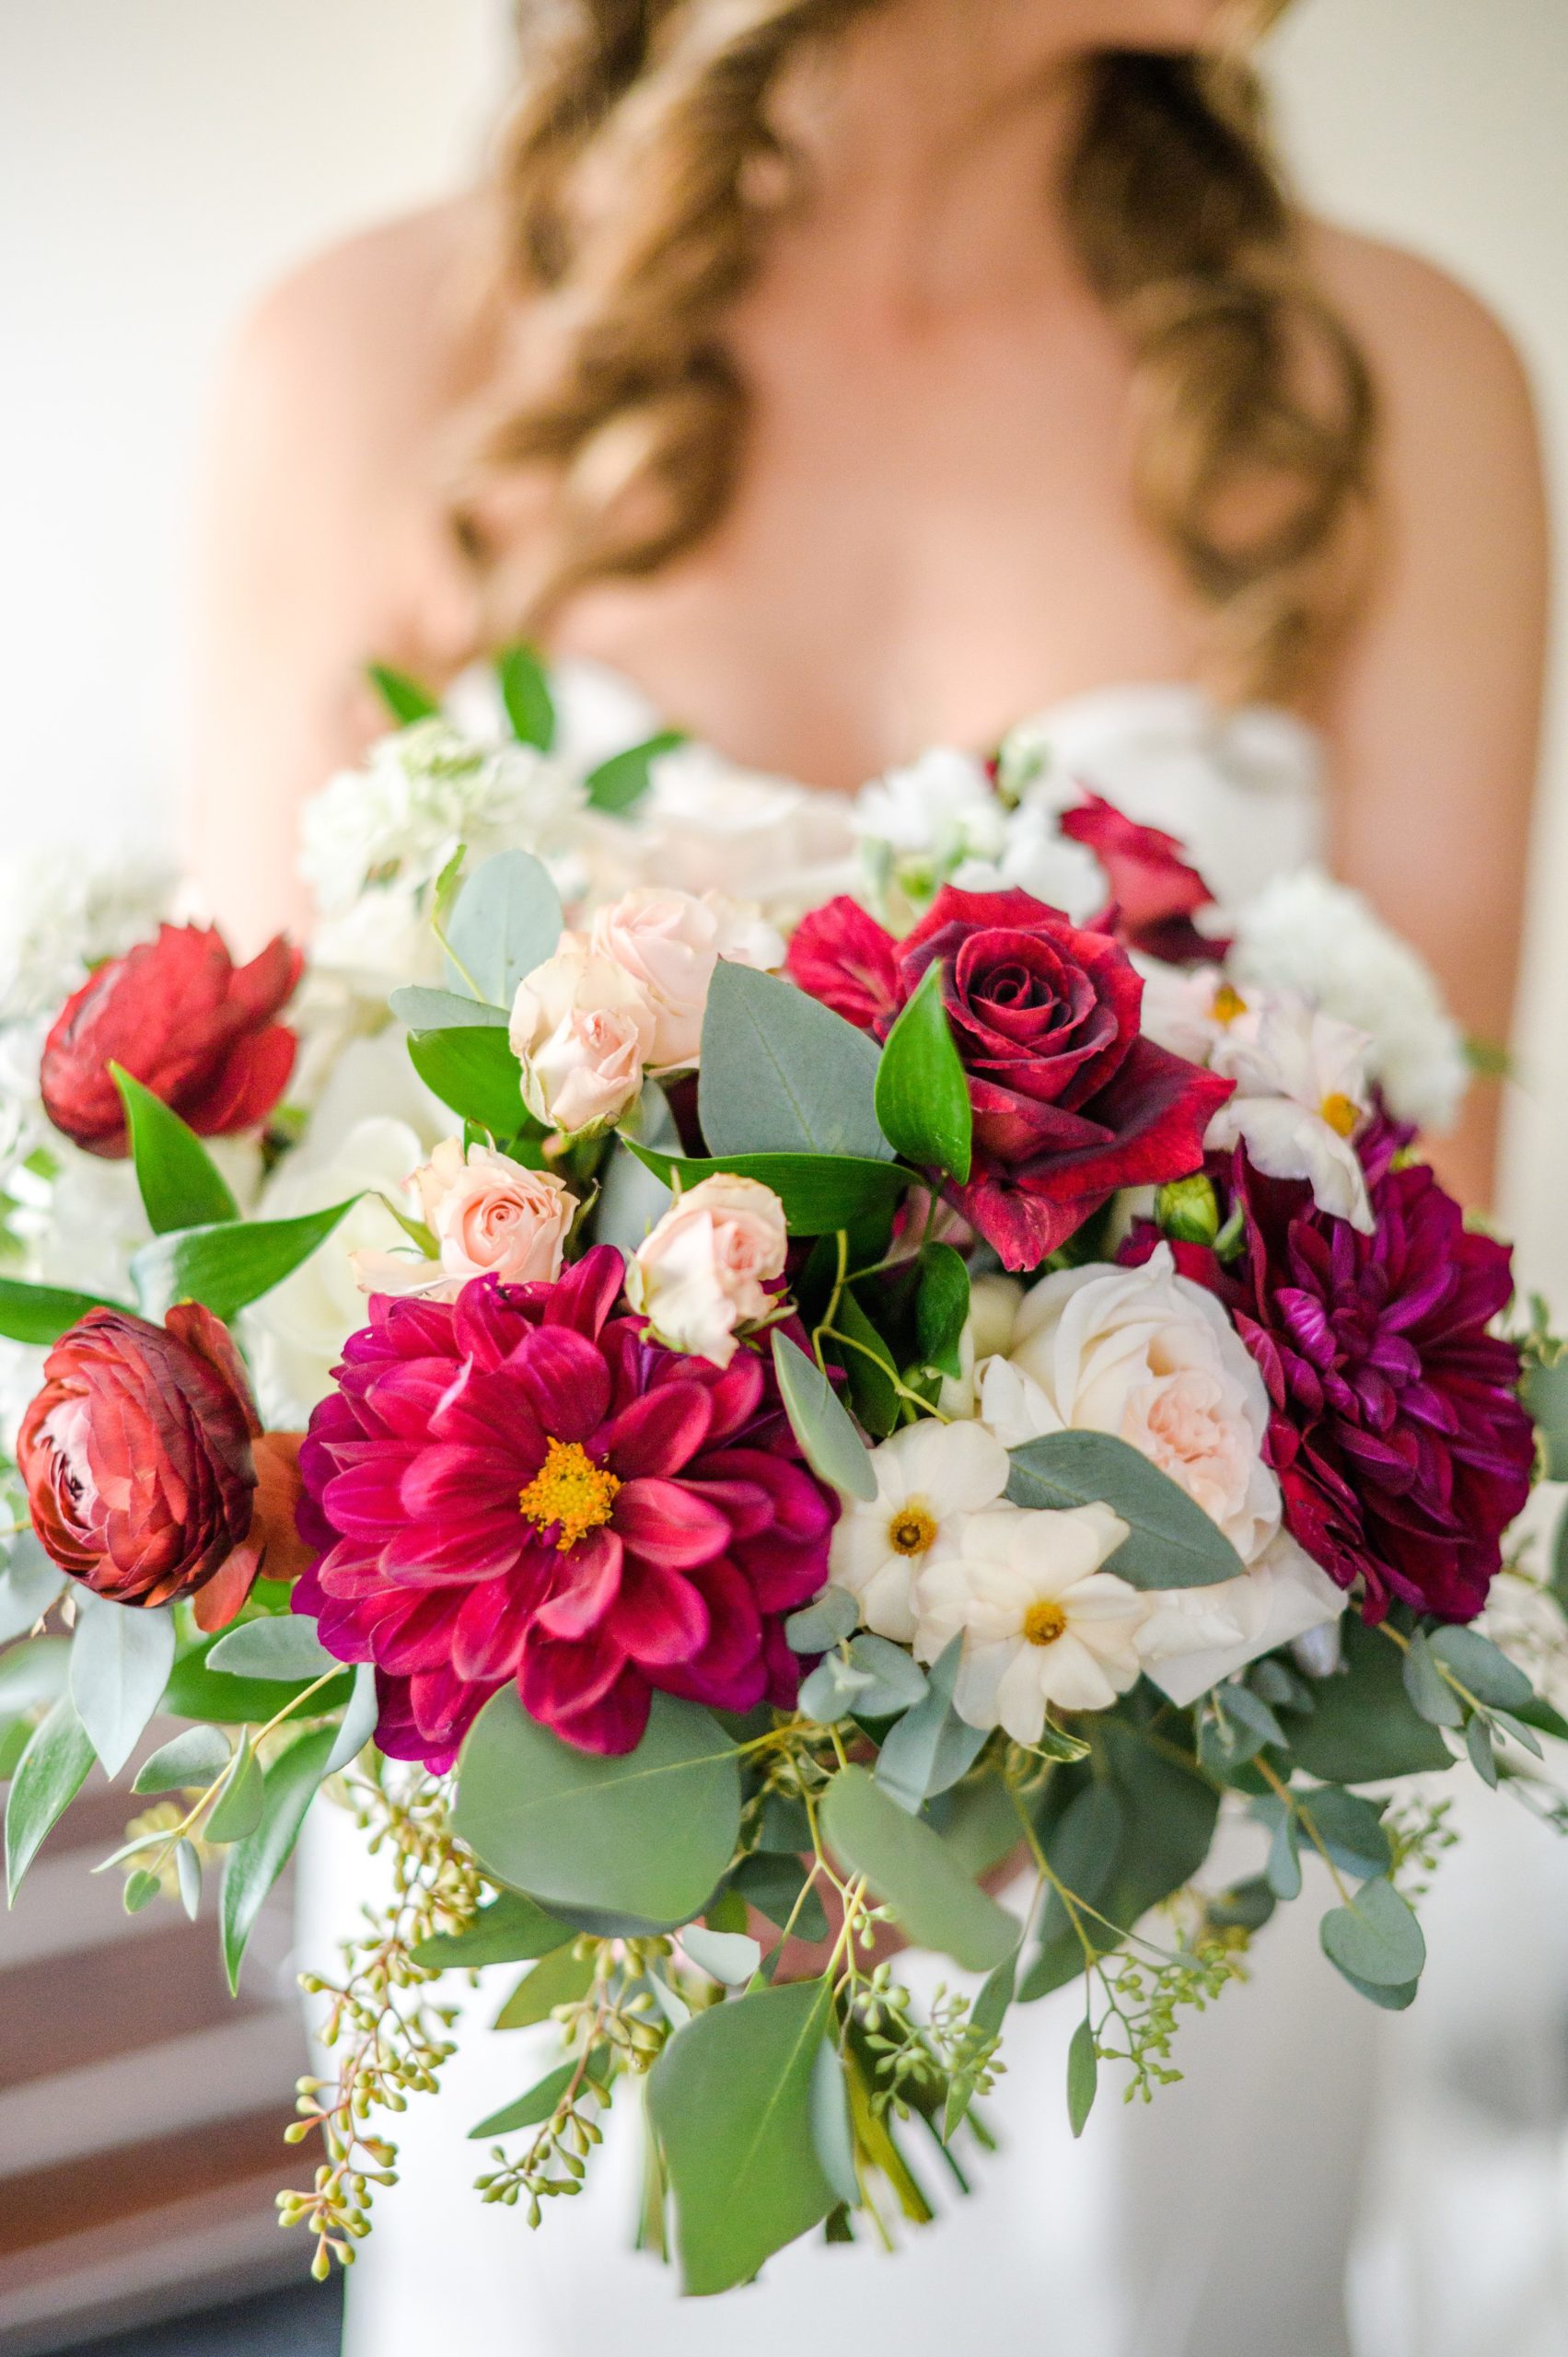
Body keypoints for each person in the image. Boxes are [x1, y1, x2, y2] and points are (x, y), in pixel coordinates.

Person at [191, 3, 1548, 2350]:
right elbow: (292, 1248)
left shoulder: (1392, 380)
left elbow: (1401, 1259)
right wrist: (711, 1770)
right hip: (569, 1805)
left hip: (1148, 1855)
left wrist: (994, 1758)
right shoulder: (359, 367)